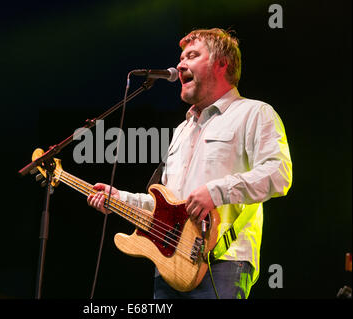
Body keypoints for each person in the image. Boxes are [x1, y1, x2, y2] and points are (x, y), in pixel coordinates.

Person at [87, 28, 292, 299]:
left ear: (222, 63)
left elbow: (279, 174)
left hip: (223, 263)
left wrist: (216, 192)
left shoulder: (254, 113)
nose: (180, 65)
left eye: (192, 56)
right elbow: (171, 206)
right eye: (181, 58)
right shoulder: (181, 130)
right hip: (170, 265)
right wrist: (120, 198)